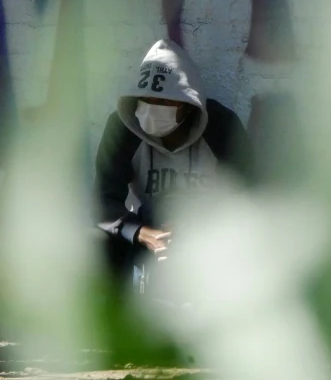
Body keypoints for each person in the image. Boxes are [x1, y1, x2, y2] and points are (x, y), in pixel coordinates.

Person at [94, 38, 255, 289]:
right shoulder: (123, 129)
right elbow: (103, 199)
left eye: (164, 102)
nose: (151, 109)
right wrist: (142, 233)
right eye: (145, 100)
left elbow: (248, 195)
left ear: (188, 105)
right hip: (147, 230)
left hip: (209, 236)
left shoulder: (222, 127)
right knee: (96, 243)